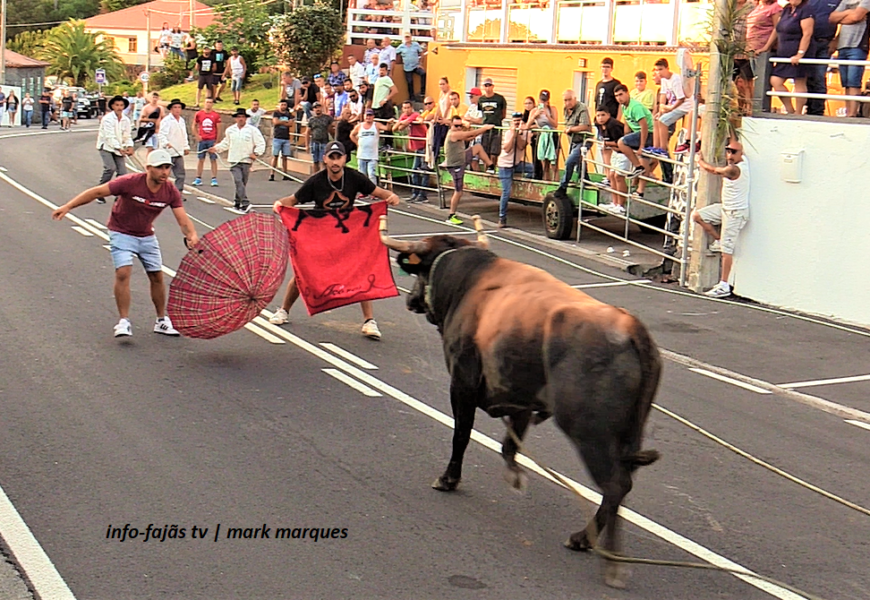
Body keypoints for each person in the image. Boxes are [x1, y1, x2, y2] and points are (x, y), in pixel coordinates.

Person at [51, 149, 199, 338]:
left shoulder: (170, 191)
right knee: (123, 272)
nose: (164, 172)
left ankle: (161, 321)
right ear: (148, 168)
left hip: (146, 235)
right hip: (121, 232)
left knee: (156, 276)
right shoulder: (130, 182)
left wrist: (191, 235)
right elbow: (97, 192)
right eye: (159, 168)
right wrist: (68, 207)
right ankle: (124, 321)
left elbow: (182, 219)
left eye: (167, 167)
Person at [269, 141, 400, 339]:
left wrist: (391, 196)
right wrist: (280, 204)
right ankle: (284, 310)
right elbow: (293, 200)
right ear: (325, 159)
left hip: (348, 235)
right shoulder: (316, 181)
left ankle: (369, 321)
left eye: (339, 157)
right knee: (304, 272)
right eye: (331, 157)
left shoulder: (355, 177)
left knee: (361, 273)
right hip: (320, 234)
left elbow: (380, 193)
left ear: (345, 159)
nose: (335, 161)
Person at [692, 139, 751, 298]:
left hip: (735, 213)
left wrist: (700, 161)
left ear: (741, 154)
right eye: (728, 151)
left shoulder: (734, 170)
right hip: (725, 208)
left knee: (727, 251)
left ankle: (724, 285)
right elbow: (734, 139)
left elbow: (713, 170)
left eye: (734, 152)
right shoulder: (742, 161)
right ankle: (718, 239)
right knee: (698, 216)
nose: (730, 155)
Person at [209, 107, 266, 213]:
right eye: (239, 117)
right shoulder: (230, 130)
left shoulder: (252, 130)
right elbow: (226, 143)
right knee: (238, 180)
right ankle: (245, 202)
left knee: (242, 182)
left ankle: (237, 202)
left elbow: (261, 143)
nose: (241, 119)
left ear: (246, 118)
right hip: (234, 160)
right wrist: (216, 148)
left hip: (246, 160)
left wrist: (256, 153)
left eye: (243, 117)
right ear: (235, 119)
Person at [443, 115, 495, 224]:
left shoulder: (459, 134)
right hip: (456, 165)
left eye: (460, 126)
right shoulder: (453, 134)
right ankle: (451, 215)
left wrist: (478, 131)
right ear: (451, 125)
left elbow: (469, 137)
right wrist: (484, 128)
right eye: (456, 126)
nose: (458, 128)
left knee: (477, 147)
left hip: (462, 158)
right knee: (458, 192)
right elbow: (469, 134)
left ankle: (490, 165)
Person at [767, 0, 815, 114]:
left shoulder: (806, 9)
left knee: (799, 81)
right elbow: (777, 29)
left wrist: (800, 53)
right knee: (775, 80)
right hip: (784, 52)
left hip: (798, 51)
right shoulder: (786, 9)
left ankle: (798, 112)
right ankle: (789, 109)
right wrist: (766, 47)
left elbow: (807, 33)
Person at [829, 0, 870, 117]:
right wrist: (848, 13)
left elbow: (856, 16)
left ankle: (852, 113)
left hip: (858, 45)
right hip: (842, 45)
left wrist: (842, 18)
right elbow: (832, 18)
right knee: (846, 82)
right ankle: (849, 112)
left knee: (853, 81)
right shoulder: (845, 1)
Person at [553, 90, 592, 200]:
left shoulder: (582, 108)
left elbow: (584, 126)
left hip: (584, 140)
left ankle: (563, 187)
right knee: (578, 162)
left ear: (575, 99)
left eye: (569, 100)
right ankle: (586, 179)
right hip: (574, 141)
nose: (567, 103)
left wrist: (571, 129)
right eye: (565, 100)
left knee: (570, 161)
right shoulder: (565, 109)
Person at [804, 0, 840, 116]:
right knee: (806, 76)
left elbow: (844, 21)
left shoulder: (837, 1)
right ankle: (808, 107)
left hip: (825, 42)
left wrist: (836, 41)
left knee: (819, 76)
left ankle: (818, 111)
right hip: (807, 43)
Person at [95, 95, 134, 204]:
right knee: (110, 168)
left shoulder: (126, 120)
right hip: (106, 146)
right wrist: (118, 148)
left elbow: (127, 135)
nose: (119, 107)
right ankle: (99, 192)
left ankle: (119, 195)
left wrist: (129, 146)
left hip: (119, 148)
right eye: (117, 105)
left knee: (122, 173)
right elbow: (109, 136)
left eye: (121, 105)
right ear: (112, 106)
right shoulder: (107, 119)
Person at [496, 112, 532, 228]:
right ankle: (502, 217)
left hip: (516, 164)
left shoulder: (525, 133)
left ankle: (522, 186)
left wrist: (519, 134)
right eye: (515, 122)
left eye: (519, 121)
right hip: (505, 165)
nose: (517, 124)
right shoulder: (508, 133)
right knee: (506, 192)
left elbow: (521, 146)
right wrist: (513, 135)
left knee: (533, 169)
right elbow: (506, 149)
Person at [614, 84, 653, 191]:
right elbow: (627, 124)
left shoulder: (635, 107)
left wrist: (641, 145)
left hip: (650, 133)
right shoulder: (623, 107)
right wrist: (627, 136)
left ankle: (637, 166)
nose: (619, 98)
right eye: (616, 96)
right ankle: (639, 191)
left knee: (621, 143)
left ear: (627, 93)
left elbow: (644, 126)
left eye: (621, 94)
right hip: (639, 133)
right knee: (644, 160)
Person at [593, 108, 629, 214]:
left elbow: (621, 142)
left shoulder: (614, 125)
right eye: (598, 115)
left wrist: (607, 144)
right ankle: (614, 203)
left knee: (619, 177)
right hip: (615, 153)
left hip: (624, 153)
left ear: (608, 115)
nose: (600, 118)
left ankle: (621, 206)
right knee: (612, 176)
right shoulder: (598, 125)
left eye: (603, 115)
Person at [393, 100, 428, 203]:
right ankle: (415, 193)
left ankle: (423, 195)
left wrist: (404, 122)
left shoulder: (415, 114)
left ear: (412, 107)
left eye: (408, 107)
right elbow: (396, 128)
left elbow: (417, 120)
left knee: (424, 171)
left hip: (424, 146)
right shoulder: (404, 116)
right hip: (417, 147)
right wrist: (402, 122)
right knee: (414, 171)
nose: (407, 110)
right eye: (404, 108)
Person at [651, 58, 688, 156]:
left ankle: (663, 149)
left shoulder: (675, 79)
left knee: (663, 121)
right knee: (656, 119)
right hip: (672, 106)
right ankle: (656, 147)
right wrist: (660, 111)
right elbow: (663, 95)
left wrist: (671, 109)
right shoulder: (663, 79)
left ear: (667, 68)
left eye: (661, 69)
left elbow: (681, 99)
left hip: (683, 106)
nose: (659, 72)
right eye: (657, 70)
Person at [157, 98, 190, 194]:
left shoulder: (182, 121)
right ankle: (160, 192)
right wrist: (166, 143)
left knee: (180, 174)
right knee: (164, 174)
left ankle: (177, 193)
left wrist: (186, 147)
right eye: (175, 107)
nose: (177, 109)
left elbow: (184, 134)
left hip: (178, 151)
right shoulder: (167, 120)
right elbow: (161, 134)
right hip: (168, 152)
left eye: (179, 107)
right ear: (171, 109)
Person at [351, 108, 391, 183]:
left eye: (370, 115)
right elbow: (352, 135)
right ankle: (363, 191)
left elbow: (387, 128)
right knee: (361, 175)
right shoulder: (359, 126)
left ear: (373, 116)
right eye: (367, 115)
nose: (368, 117)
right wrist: (357, 143)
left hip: (372, 155)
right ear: (364, 116)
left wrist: (388, 123)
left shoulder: (376, 125)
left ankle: (373, 191)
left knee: (371, 174)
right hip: (361, 154)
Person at [529, 89, 558, 181]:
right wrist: (534, 116)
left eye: (545, 100)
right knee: (544, 166)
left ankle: (556, 185)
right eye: (541, 100)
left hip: (552, 135)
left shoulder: (552, 109)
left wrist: (547, 116)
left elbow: (555, 124)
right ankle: (546, 184)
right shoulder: (534, 111)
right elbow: (527, 126)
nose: (543, 102)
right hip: (542, 136)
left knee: (554, 165)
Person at [192, 97, 221, 187]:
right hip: (202, 140)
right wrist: (197, 135)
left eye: (210, 102)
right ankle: (198, 178)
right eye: (207, 102)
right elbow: (194, 125)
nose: (208, 104)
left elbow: (219, 128)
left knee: (213, 159)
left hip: (211, 139)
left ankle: (214, 178)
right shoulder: (199, 114)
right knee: (201, 159)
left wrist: (217, 141)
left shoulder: (215, 115)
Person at [478, 78, 507, 164]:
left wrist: (496, 120)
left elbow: (503, 113)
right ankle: (487, 169)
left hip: (496, 128)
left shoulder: (500, 98)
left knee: (494, 152)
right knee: (485, 152)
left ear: (493, 86)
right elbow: (481, 113)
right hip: (485, 128)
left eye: (489, 85)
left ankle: (493, 169)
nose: (487, 88)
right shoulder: (481, 99)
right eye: (486, 86)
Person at [396, 33, 426, 101]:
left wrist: (420, 63)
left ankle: (422, 91)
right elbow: (395, 53)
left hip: (416, 66)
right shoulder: (401, 46)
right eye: (406, 37)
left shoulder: (416, 45)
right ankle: (411, 97)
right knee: (409, 82)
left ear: (411, 37)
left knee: (423, 73)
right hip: (407, 67)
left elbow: (422, 53)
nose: (407, 38)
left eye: (408, 37)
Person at [306, 102, 335, 172]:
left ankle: (323, 178)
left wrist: (334, 140)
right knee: (315, 161)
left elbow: (331, 130)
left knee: (323, 161)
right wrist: (307, 145)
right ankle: (316, 178)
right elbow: (307, 132)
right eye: (315, 108)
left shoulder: (327, 118)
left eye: (319, 107)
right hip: (314, 142)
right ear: (313, 109)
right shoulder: (311, 120)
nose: (317, 109)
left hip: (324, 142)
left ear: (321, 108)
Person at [270, 99, 294, 182]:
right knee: (275, 156)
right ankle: (272, 173)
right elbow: (275, 122)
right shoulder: (276, 113)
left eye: (285, 105)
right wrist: (284, 122)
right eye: (282, 104)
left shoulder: (289, 114)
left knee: (285, 157)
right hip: (277, 137)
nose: (283, 106)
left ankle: (285, 174)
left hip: (286, 138)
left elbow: (290, 124)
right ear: (279, 105)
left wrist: (281, 122)